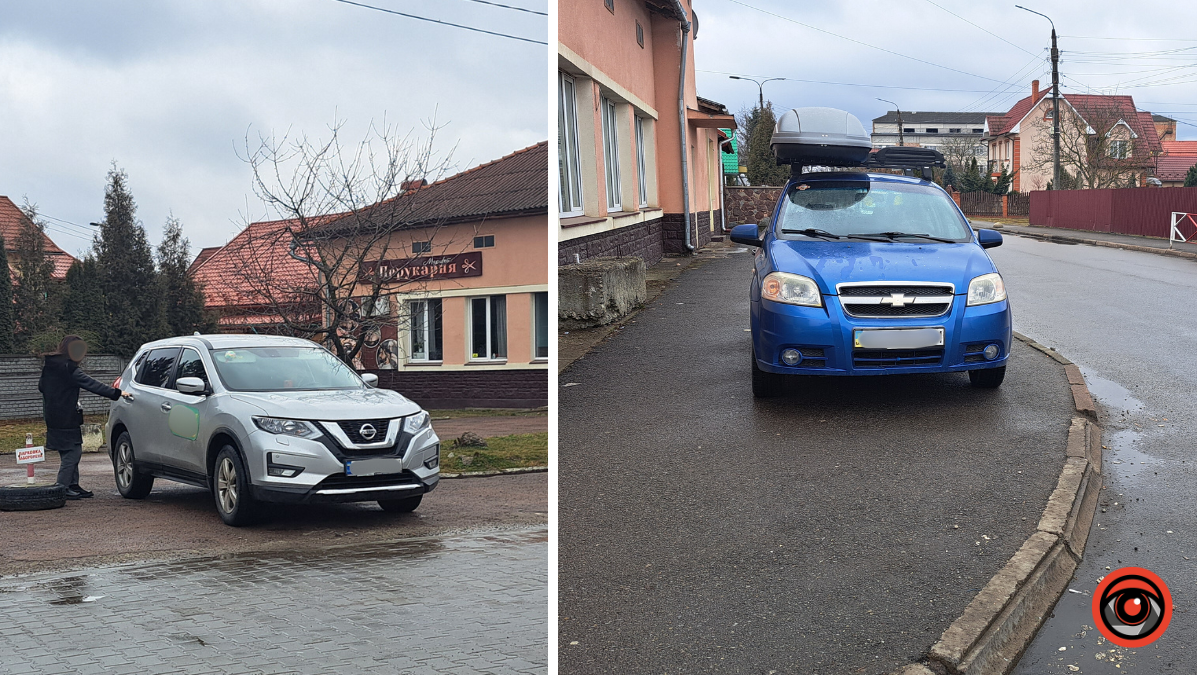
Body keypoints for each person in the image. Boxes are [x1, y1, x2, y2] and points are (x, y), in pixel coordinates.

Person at [38, 336, 132, 500]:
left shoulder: (50, 366)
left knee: (67, 450)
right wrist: (117, 393)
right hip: (66, 416)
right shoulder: (69, 368)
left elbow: (41, 387)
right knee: (73, 452)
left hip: (52, 415)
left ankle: (73, 485)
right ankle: (62, 488)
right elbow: (92, 384)